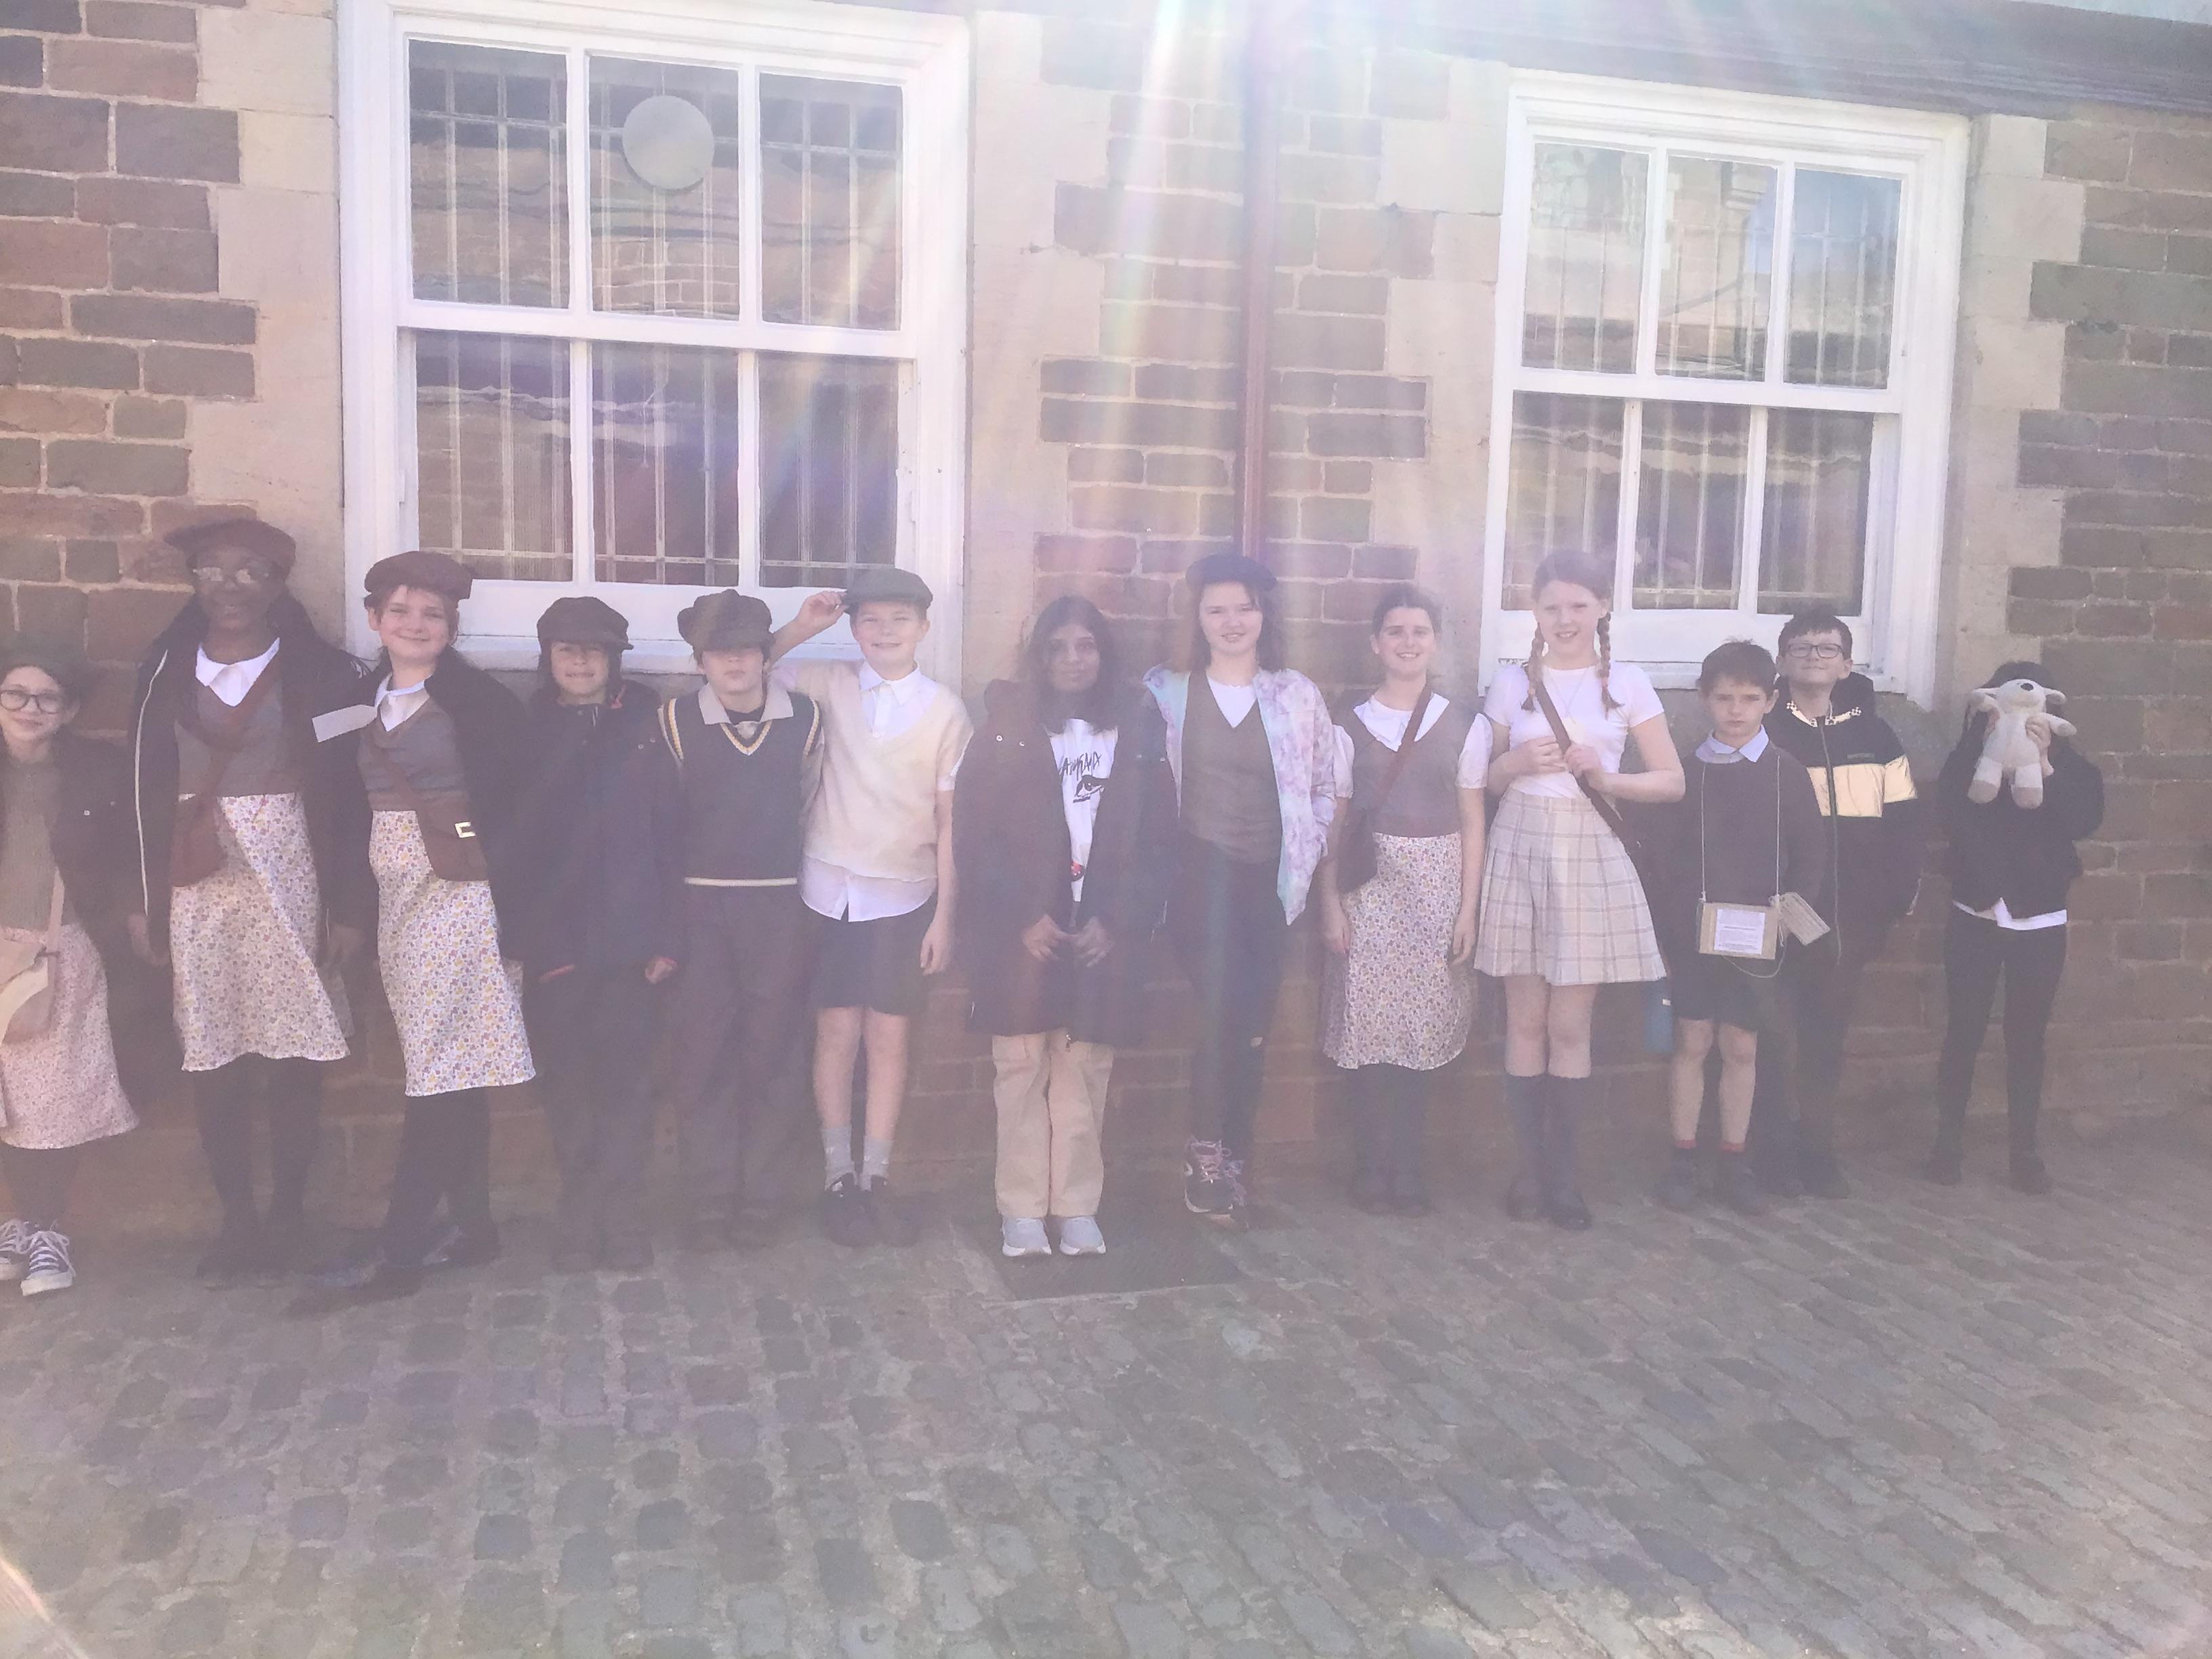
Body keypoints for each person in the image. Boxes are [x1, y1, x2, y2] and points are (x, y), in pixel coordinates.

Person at [127, 517, 371, 1279]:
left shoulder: (328, 677)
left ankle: (289, 1214)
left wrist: (349, 905)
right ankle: (237, 1221)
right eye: (212, 570)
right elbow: (140, 785)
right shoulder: (163, 670)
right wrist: (143, 898)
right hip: (195, 873)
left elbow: (353, 791)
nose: (229, 586)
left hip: (292, 868)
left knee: (294, 1050)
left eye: (249, 571)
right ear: (193, 580)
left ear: (277, 583)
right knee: (215, 1049)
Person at [304, 551, 534, 1307]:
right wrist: (348, 904)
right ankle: (473, 1226)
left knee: (439, 1067)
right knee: (448, 1061)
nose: (415, 624)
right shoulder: (354, 701)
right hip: (396, 896)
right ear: (375, 620)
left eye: (432, 614)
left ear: (452, 628)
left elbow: (521, 804)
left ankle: (401, 1246)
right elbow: (337, 803)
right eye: (400, 611)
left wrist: (510, 897)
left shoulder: (482, 704)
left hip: (464, 895)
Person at [954, 596, 1175, 1258]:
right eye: (1057, 648)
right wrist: (1020, 915)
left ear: (1104, 654)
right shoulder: (1005, 728)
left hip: (1098, 928)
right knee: (1020, 1067)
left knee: (1084, 1071)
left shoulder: (1136, 728)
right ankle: (1021, 1209)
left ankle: (1077, 1206)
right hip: (1025, 929)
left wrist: (1120, 920)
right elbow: (975, 834)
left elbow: (1159, 839)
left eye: (1086, 646)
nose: (1073, 660)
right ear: (1039, 658)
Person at [1477, 550, 1684, 1229]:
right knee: (1525, 1021)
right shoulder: (1512, 684)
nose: (1564, 619)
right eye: (1551, 607)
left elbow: (1672, 781)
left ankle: (1564, 1179)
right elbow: (1482, 781)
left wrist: (1607, 778)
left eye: (1578, 605)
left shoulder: (1627, 684)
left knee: (1570, 1025)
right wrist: (1512, 762)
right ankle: (1528, 1173)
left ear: (1602, 608)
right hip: (1520, 845)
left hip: (1590, 848)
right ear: (1534, 613)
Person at [769, 569, 972, 1248]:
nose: (885, 632)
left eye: (900, 620)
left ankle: (877, 1176)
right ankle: (838, 1176)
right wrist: (805, 627)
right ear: (854, 629)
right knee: (836, 1032)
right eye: (872, 621)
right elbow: (745, 669)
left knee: (889, 1036)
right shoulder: (829, 683)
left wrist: (945, 914)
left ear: (924, 628)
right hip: (828, 889)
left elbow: (950, 821)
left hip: (904, 894)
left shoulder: (945, 712)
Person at [1144, 552, 1336, 1232]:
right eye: (1217, 610)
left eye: (1245, 609)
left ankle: (1236, 1157)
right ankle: (1205, 1157)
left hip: (1269, 882)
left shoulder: (1295, 695)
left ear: (1263, 616)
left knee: (1253, 1026)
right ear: (1197, 618)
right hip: (1199, 876)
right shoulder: (1165, 692)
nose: (1232, 622)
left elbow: (1324, 783)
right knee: (1219, 1013)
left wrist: (1308, 844)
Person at [507, 597, 677, 1273]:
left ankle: (624, 1211)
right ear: (547, 658)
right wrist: (523, 937)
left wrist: (668, 936)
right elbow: (512, 842)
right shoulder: (526, 731)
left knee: (628, 1082)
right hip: (557, 941)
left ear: (614, 660)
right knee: (568, 1083)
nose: (580, 662)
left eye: (594, 651)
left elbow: (674, 832)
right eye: (567, 650)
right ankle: (580, 1208)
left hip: (633, 938)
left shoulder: (649, 725)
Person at [656, 591, 823, 1254]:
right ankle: (710, 1198)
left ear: (765, 656)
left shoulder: (805, 719)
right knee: (703, 1057)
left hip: (779, 906)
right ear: (699, 661)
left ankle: (762, 1199)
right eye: (718, 652)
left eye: (747, 650)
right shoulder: (674, 722)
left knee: (774, 1054)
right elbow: (664, 821)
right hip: (700, 909)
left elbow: (809, 805)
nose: (734, 663)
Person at [1316, 587, 1487, 1216]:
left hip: (1436, 886)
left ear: (1435, 641)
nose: (1408, 642)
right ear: (1375, 643)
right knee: (1367, 1026)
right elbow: (1335, 820)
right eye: (1395, 631)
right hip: (1368, 887)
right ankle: (1370, 1162)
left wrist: (1467, 908)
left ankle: (1409, 1165)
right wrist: (1329, 902)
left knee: (1421, 1027)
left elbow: (1473, 820)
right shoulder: (1348, 724)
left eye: (1419, 631)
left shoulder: (1464, 724)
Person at [1647, 642, 1828, 1216]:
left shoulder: (1786, 774)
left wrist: (1789, 922)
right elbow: (1661, 861)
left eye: (1750, 699)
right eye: (1725, 698)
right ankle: (1682, 1158)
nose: (1736, 710)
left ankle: (1734, 1160)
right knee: (1692, 1041)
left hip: (1758, 937)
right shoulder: (1685, 773)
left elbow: (1810, 856)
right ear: (1704, 698)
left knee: (1743, 1045)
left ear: (1771, 701)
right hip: (1693, 934)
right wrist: (1668, 934)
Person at [1751, 609, 1925, 1198]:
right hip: (1777, 911)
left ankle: (1817, 1150)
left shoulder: (1877, 739)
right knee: (1770, 1035)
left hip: (1849, 916)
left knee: (1825, 1038)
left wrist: (1893, 898)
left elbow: (1906, 825)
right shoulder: (1762, 729)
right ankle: (1770, 1152)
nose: (1814, 656)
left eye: (1827, 648)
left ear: (1847, 664)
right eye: (1801, 647)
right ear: (1782, 661)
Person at [1927, 661, 2103, 1193]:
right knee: (1963, 1031)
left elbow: (2082, 821)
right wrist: (1985, 753)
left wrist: (2044, 764)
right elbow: (1952, 815)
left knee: (2027, 1036)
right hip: (1975, 912)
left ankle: (2024, 1150)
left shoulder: (2074, 768)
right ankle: (1947, 1143)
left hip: (2039, 916)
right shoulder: (1967, 760)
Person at [0, 640, 140, 1298]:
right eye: (16, 693)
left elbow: (125, 854)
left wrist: (130, 915)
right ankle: (19, 1224)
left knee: (49, 1101)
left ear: (70, 710)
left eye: (47, 698)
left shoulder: (94, 772)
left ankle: (46, 1228)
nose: (30, 708)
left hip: (58, 951)